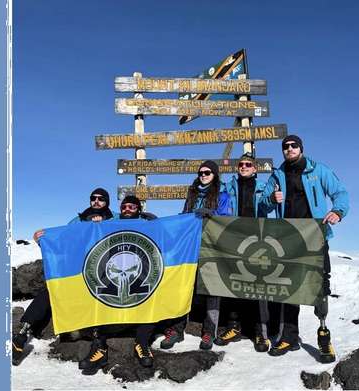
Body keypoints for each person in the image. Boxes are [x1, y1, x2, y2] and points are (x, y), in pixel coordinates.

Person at [258, 135, 349, 363]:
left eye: (293, 146)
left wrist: (338, 211)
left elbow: (340, 192)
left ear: (301, 148)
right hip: (287, 238)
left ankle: (323, 335)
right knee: (288, 285)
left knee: (319, 283)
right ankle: (289, 336)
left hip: (314, 235)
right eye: (285, 147)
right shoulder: (277, 175)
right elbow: (263, 205)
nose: (289, 149)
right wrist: (271, 198)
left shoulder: (318, 170)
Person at [12, 188, 117, 366]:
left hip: (106, 272)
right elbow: (62, 240)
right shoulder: (77, 220)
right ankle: (22, 333)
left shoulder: (115, 218)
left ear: (107, 201)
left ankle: (99, 345)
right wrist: (42, 239)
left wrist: (103, 225)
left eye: (101, 199)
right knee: (51, 291)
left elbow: (132, 227)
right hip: (78, 271)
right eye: (93, 198)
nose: (97, 201)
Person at [78, 195, 160, 374]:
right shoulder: (109, 225)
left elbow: (165, 237)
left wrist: (155, 221)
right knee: (96, 296)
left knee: (153, 296)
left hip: (140, 278)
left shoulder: (147, 225)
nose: (127, 209)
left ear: (138, 209)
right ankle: (99, 348)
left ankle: (142, 343)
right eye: (124, 207)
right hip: (111, 278)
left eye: (132, 206)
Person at [160, 160, 232, 351]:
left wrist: (211, 214)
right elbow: (184, 216)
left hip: (211, 247)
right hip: (189, 247)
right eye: (200, 172)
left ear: (215, 175)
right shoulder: (192, 193)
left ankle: (209, 331)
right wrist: (162, 224)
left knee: (211, 287)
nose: (203, 175)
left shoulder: (223, 195)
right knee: (182, 285)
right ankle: (176, 329)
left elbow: (226, 220)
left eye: (207, 172)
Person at [219, 152, 272, 352]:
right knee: (234, 282)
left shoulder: (263, 188)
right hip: (235, 239)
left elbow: (268, 207)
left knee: (259, 285)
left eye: (248, 164)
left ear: (255, 168)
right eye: (240, 164)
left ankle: (260, 331)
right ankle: (234, 326)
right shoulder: (228, 186)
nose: (243, 167)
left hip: (258, 241)